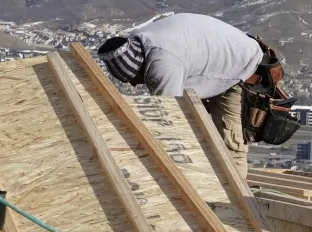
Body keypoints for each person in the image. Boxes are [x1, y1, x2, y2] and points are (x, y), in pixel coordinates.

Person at [95, 13, 291, 173]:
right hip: (212, 60)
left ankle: (235, 199)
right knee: (203, 134)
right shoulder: (136, 41)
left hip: (241, 67)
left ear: (139, 68)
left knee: (229, 141)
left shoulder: (162, 65)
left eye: (134, 80)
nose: (137, 85)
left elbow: (168, 122)